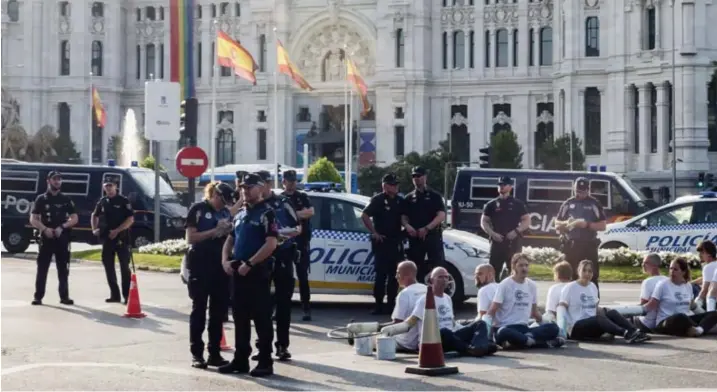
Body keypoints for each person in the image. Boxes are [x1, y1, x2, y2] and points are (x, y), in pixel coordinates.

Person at [219, 173, 278, 377]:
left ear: (261, 188)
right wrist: (225, 260)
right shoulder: (241, 213)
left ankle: (265, 361)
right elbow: (230, 239)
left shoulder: (267, 213)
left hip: (257, 272)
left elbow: (271, 244)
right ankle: (241, 359)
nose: (245, 191)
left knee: (261, 318)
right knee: (240, 318)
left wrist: (251, 263)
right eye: (243, 188)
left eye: (249, 187)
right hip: (238, 271)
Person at [381, 267, 497, 357]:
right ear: (431, 280)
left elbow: (452, 323)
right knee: (445, 332)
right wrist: (389, 330)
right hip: (435, 339)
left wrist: (468, 327)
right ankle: (471, 349)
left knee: (480, 324)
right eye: (440, 277)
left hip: (451, 337)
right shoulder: (425, 300)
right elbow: (411, 322)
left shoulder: (447, 298)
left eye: (446, 277)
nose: (444, 280)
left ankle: (479, 347)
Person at [184, 182, 234, 369]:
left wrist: (227, 231)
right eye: (223, 200)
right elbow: (191, 237)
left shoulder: (225, 212)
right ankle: (197, 353)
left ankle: (214, 353)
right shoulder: (198, 209)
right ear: (215, 195)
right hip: (200, 264)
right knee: (199, 309)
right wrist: (215, 231)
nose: (225, 205)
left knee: (218, 312)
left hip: (219, 265)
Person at [256, 170, 301, 361]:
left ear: (267, 184)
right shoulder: (254, 206)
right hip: (261, 259)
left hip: (283, 256)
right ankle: (262, 347)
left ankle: (282, 346)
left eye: (259, 184)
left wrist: (282, 234)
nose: (255, 189)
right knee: (261, 306)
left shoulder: (283, 203)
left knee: (283, 305)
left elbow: (299, 227)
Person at [484, 253, 564, 349]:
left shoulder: (532, 285)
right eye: (521, 265)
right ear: (514, 267)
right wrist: (487, 334)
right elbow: (492, 310)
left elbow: (534, 313)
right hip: (506, 327)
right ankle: (539, 343)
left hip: (524, 329)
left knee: (553, 328)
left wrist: (550, 325)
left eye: (526, 265)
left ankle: (523, 342)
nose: (524, 268)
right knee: (503, 332)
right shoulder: (505, 285)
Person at [557, 260, 649, 343]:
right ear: (578, 271)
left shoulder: (592, 286)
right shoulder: (570, 288)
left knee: (610, 312)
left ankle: (635, 331)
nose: (587, 274)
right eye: (584, 270)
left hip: (593, 325)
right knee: (598, 318)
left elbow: (595, 308)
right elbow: (561, 308)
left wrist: (607, 312)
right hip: (576, 327)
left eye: (590, 271)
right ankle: (626, 334)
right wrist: (564, 329)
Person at [29, 171, 78, 306]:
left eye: (59, 179)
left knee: (63, 269)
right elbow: (33, 219)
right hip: (46, 238)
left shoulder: (66, 199)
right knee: (42, 268)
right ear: (48, 181)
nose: (57, 182)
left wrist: (62, 227)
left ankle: (64, 296)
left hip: (61, 238)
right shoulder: (41, 199)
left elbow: (74, 218)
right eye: (54, 179)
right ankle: (38, 296)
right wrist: (44, 229)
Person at [361, 173, 405, 315]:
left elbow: (405, 217)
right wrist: (374, 232)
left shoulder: (400, 200)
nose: (396, 187)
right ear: (385, 186)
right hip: (382, 242)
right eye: (392, 184)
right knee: (381, 275)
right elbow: (365, 215)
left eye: (397, 184)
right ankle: (379, 305)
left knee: (394, 276)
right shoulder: (378, 200)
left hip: (395, 242)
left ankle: (391, 304)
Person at [555, 177, 607, 294]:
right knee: (570, 275)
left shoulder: (594, 203)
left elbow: (603, 225)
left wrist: (586, 225)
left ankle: (593, 303)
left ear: (588, 190)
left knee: (591, 275)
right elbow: (557, 224)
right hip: (572, 245)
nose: (580, 194)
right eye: (577, 191)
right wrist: (567, 223)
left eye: (582, 191)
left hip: (588, 245)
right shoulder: (568, 203)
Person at [642, 257, 717, 337]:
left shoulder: (688, 286)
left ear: (683, 272)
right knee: (680, 316)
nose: (672, 272)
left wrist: (706, 315)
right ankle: (695, 328)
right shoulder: (662, 284)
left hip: (686, 319)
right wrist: (634, 311)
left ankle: (698, 330)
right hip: (667, 322)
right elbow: (652, 305)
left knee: (714, 314)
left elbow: (692, 306)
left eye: (675, 269)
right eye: (671, 269)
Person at [91, 175, 134, 304]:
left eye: (111, 186)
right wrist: (94, 228)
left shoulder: (123, 201)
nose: (108, 188)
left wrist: (117, 231)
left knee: (124, 268)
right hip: (107, 238)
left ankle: (127, 295)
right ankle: (114, 294)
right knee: (108, 266)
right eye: (106, 186)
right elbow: (94, 215)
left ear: (116, 186)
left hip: (121, 238)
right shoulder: (103, 201)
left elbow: (130, 220)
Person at [401, 166, 447, 281]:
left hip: (432, 236)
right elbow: (403, 217)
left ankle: (437, 293)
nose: (416, 179)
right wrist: (407, 226)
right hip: (415, 238)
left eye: (419, 176)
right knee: (416, 267)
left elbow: (441, 215)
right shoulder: (409, 198)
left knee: (437, 266)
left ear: (425, 177)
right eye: (414, 176)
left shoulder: (434, 196)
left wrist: (427, 228)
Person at [280, 169, 315, 321]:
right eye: (289, 181)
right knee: (283, 278)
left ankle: (306, 308)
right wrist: (299, 213)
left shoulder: (302, 196)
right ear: (284, 182)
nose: (292, 183)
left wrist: (291, 214)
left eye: (294, 181)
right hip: (284, 241)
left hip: (301, 241)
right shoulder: (279, 198)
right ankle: (281, 308)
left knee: (302, 276)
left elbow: (310, 212)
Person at [480, 177, 530, 280]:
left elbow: (527, 221)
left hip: (513, 242)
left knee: (515, 269)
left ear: (510, 187)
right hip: (497, 242)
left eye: (504, 184)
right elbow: (484, 221)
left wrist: (516, 231)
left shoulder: (518, 204)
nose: (501, 186)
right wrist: (492, 234)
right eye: (499, 185)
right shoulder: (491, 204)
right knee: (493, 270)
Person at [388, 260, 427, 352]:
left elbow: (397, 323)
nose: (396, 276)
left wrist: (379, 328)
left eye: (398, 273)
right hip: (423, 338)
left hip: (405, 342)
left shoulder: (404, 294)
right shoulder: (426, 289)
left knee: (371, 338)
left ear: (407, 275)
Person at [635, 253, 668, 332]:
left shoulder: (647, 282)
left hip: (647, 323)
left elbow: (643, 305)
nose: (643, 265)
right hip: (662, 321)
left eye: (645, 263)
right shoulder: (667, 280)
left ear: (654, 265)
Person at [694, 240, 717, 309]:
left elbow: (705, 289)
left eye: (702, 252)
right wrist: (689, 283)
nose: (700, 255)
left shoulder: (708, 267)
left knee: (693, 288)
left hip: (713, 301)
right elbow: (705, 278)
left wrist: (696, 303)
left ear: (709, 254)